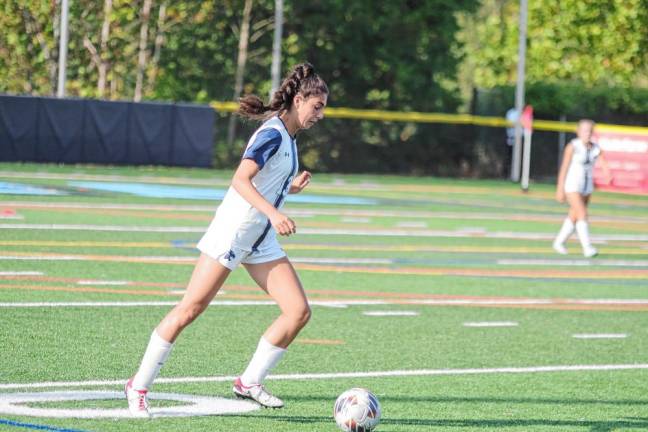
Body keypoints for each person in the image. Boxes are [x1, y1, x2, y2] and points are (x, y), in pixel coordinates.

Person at [124, 62, 328, 417]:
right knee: (190, 309)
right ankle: (138, 385)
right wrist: (276, 213)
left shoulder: (290, 140)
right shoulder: (273, 133)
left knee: (298, 312)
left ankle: (249, 381)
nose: (320, 115)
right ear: (299, 100)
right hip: (233, 232)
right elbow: (240, 180)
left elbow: (265, 181)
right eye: (317, 106)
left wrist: (288, 188)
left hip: (259, 241)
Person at [553, 119, 611, 257]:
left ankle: (559, 242)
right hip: (572, 185)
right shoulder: (573, 146)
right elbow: (564, 168)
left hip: (587, 186)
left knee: (574, 216)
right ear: (578, 131)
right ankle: (587, 248)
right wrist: (560, 188)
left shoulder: (596, 148)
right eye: (585, 130)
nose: (587, 133)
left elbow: (604, 164)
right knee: (582, 214)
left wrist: (607, 174)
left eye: (590, 131)